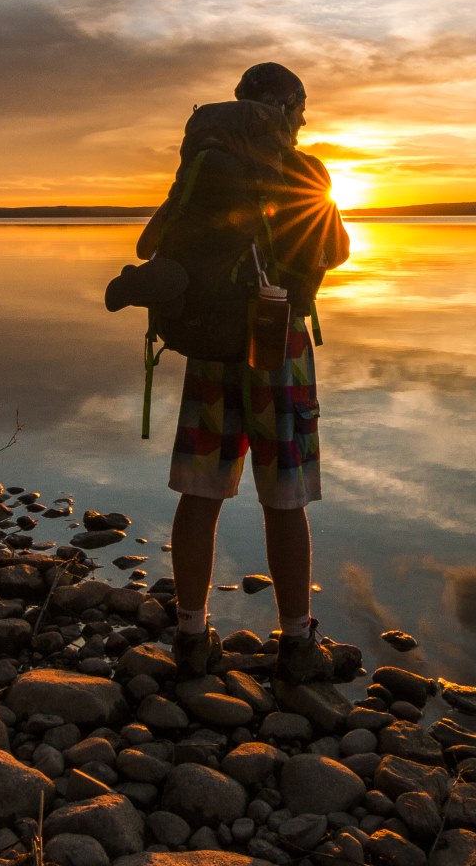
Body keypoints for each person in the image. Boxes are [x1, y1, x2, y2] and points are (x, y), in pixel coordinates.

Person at [146, 62, 351, 683]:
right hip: (277, 344)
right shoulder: (304, 170)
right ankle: (295, 643)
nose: (307, 117)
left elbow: (153, 240)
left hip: (211, 347)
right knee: (285, 500)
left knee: (200, 494)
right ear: (285, 107)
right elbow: (336, 251)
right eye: (303, 105)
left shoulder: (205, 165)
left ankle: (189, 634)